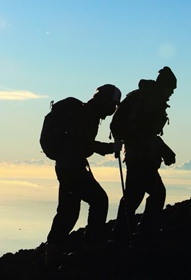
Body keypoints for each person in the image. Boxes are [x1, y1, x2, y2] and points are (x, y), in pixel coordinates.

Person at [45, 84, 122, 268]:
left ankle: (53, 254)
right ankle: (91, 245)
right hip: (73, 168)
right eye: (112, 104)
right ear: (103, 99)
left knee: (68, 211)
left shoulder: (86, 112)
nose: (112, 109)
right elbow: (85, 144)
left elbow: (81, 143)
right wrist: (110, 148)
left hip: (67, 166)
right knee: (98, 200)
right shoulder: (88, 115)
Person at [112, 67, 177, 243]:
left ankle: (123, 234)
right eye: (171, 89)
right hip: (140, 155)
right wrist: (160, 147)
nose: (171, 93)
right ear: (164, 86)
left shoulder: (146, 97)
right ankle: (144, 232)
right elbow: (137, 129)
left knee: (134, 195)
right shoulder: (148, 100)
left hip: (138, 155)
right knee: (156, 193)